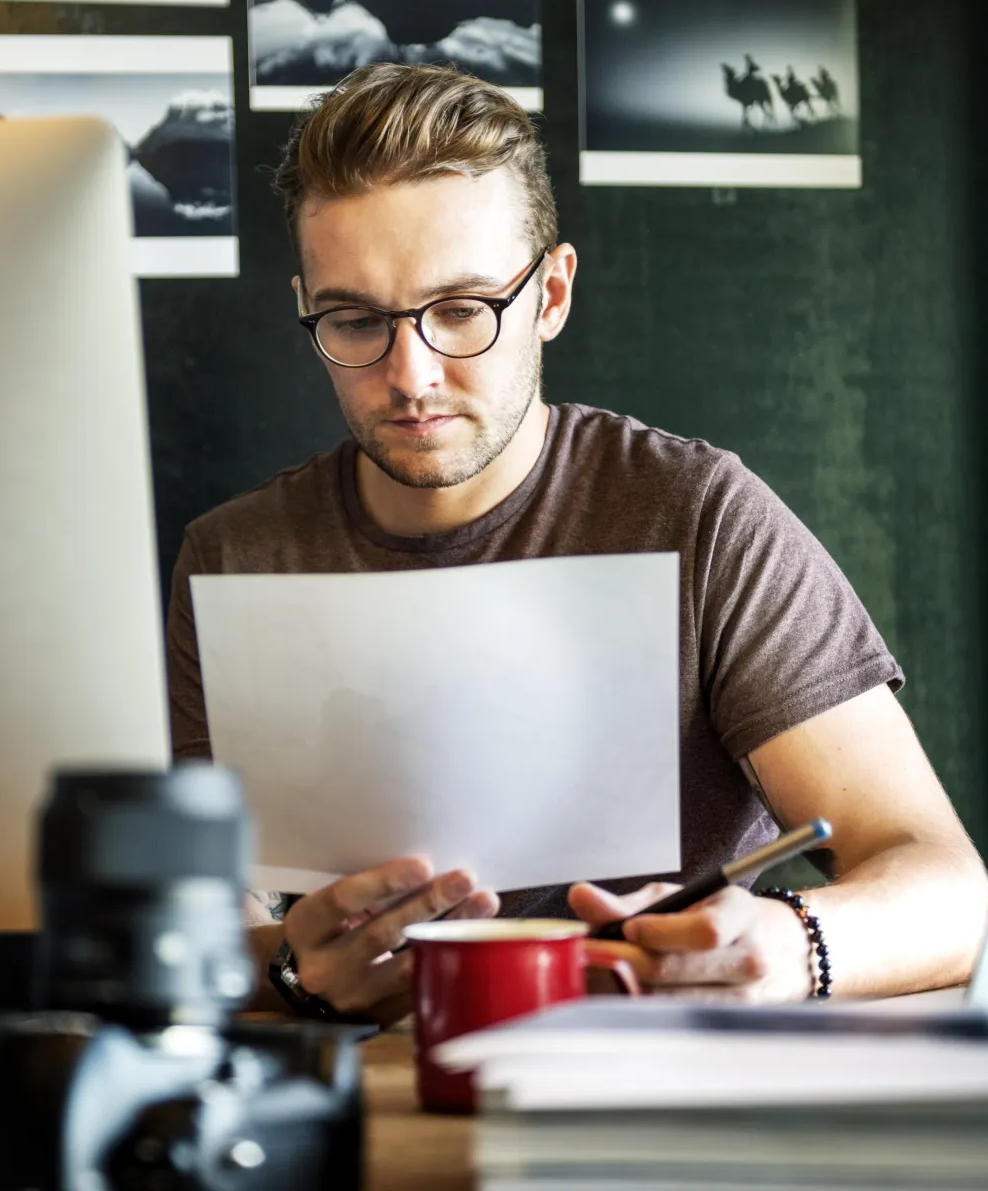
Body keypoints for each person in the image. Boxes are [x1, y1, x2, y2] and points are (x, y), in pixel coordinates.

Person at [166, 63, 988, 1020]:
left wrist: (785, 944)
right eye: (355, 321)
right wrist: (286, 972)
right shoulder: (235, 559)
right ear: (309, 306)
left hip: (660, 1095)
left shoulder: (699, 517)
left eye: (464, 309)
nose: (411, 374)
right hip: (374, 1091)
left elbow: (948, 890)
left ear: (551, 294)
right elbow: (195, 933)